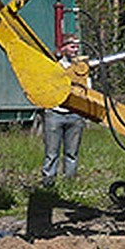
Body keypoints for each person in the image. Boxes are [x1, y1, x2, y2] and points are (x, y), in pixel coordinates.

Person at [41, 34, 86, 189]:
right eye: (72, 46)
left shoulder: (82, 67)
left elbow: (87, 89)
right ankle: (48, 184)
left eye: (76, 47)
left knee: (71, 153)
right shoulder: (54, 67)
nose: (75, 49)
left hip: (75, 115)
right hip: (55, 113)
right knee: (51, 153)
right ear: (63, 48)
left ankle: (69, 184)